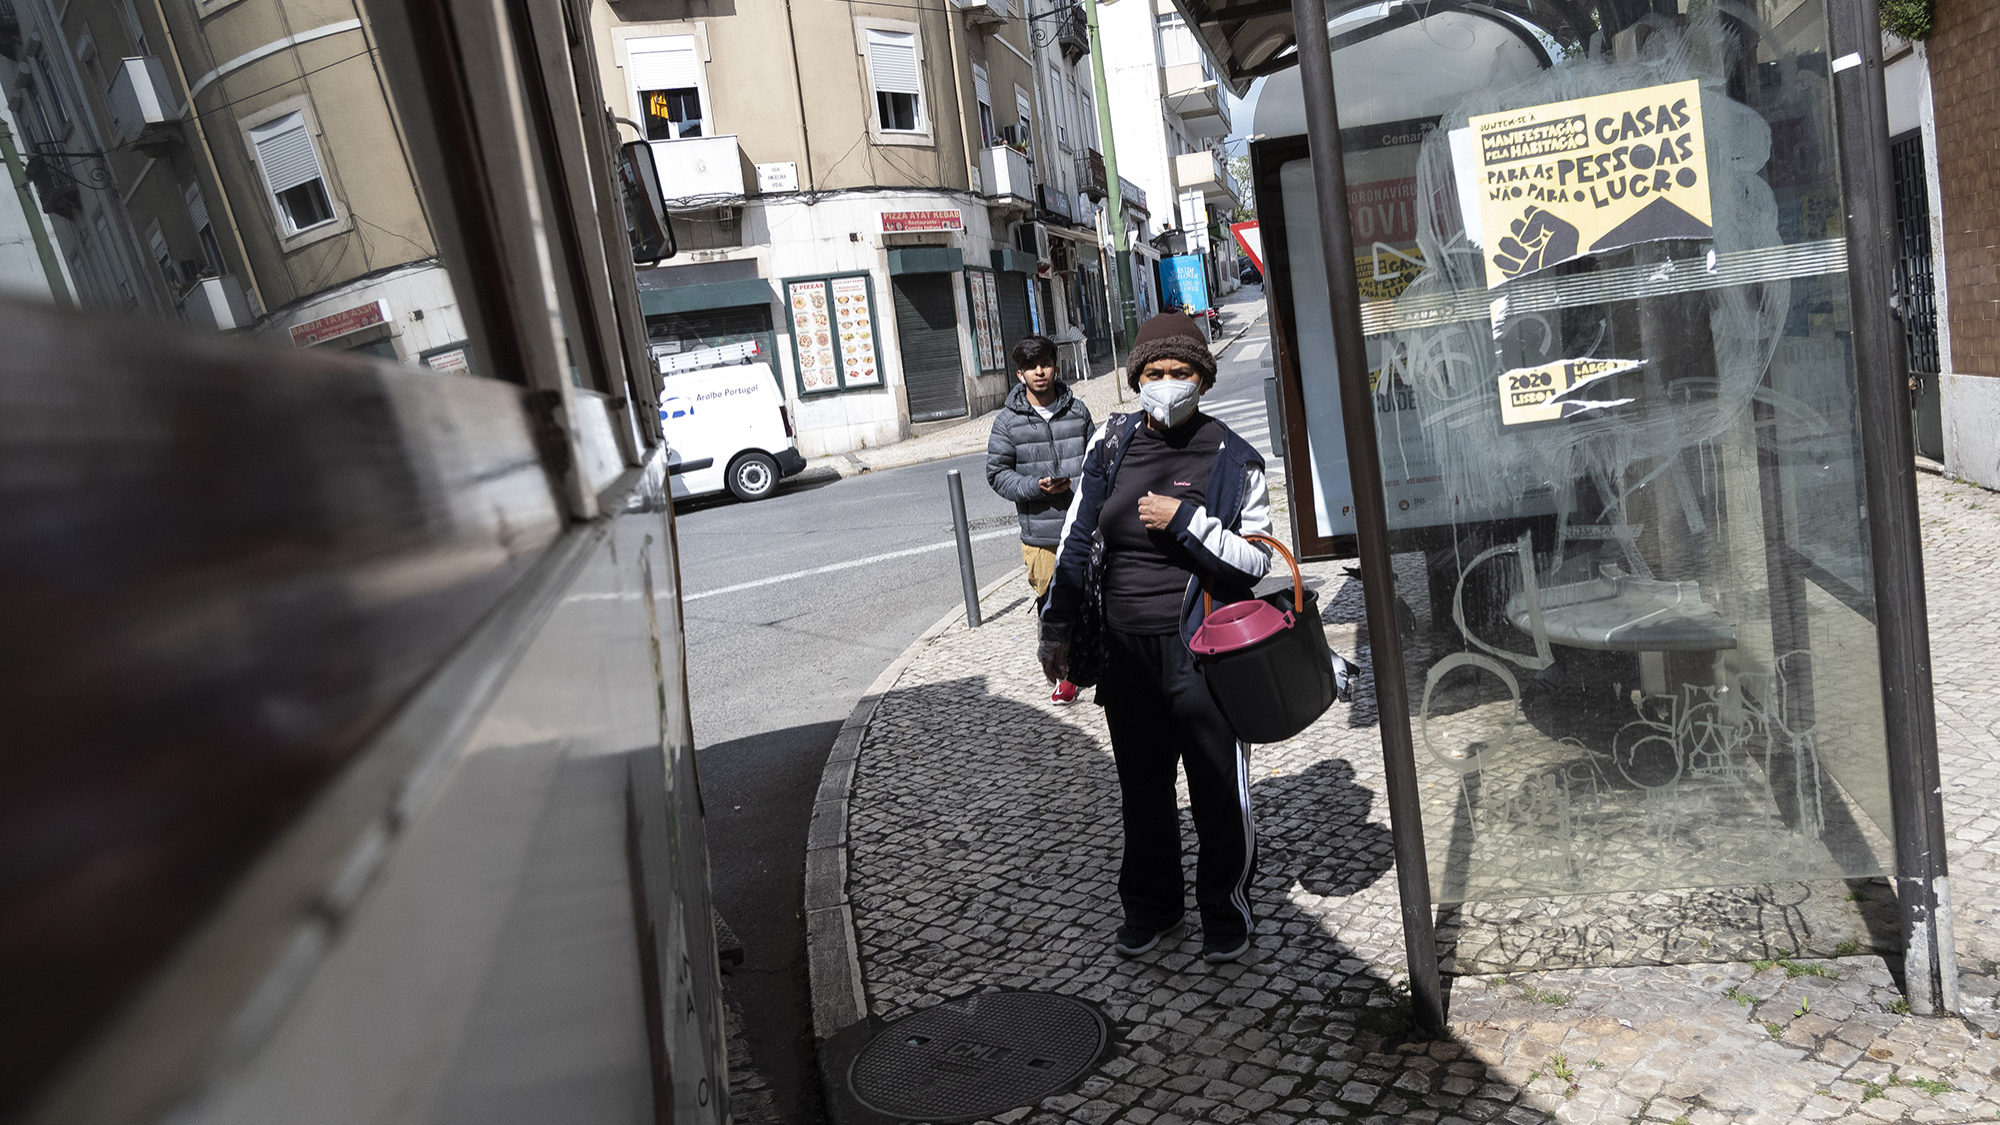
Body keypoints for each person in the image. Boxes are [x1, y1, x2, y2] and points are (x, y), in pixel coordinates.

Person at [1037, 312, 1273, 965]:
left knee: (1217, 789)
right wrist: (1055, 622)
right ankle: (1152, 906)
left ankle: (1225, 909)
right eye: (1155, 372)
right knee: (1142, 792)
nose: (1167, 383)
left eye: (1181, 372)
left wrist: (1188, 521)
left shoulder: (1233, 456)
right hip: (1125, 653)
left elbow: (1256, 560)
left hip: (1203, 652)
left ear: (1202, 378)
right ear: (1138, 377)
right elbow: (1078, 536)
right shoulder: (1111, 445)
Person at [985, 334, 1094, 703]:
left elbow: (1097, 465)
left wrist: (1072, 484)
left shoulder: (1077, 412)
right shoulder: (1007, 423)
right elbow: (997, 474)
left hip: (1084, 526)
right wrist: (1035, 486)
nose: (1040, 372)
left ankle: (1091, 665)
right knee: (1052, 604)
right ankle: (1062, 674)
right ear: (1020, 375)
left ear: (1055, 366)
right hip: (1041, 535)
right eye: (1031, 367)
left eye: (1045, 364)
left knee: (1091, 600)